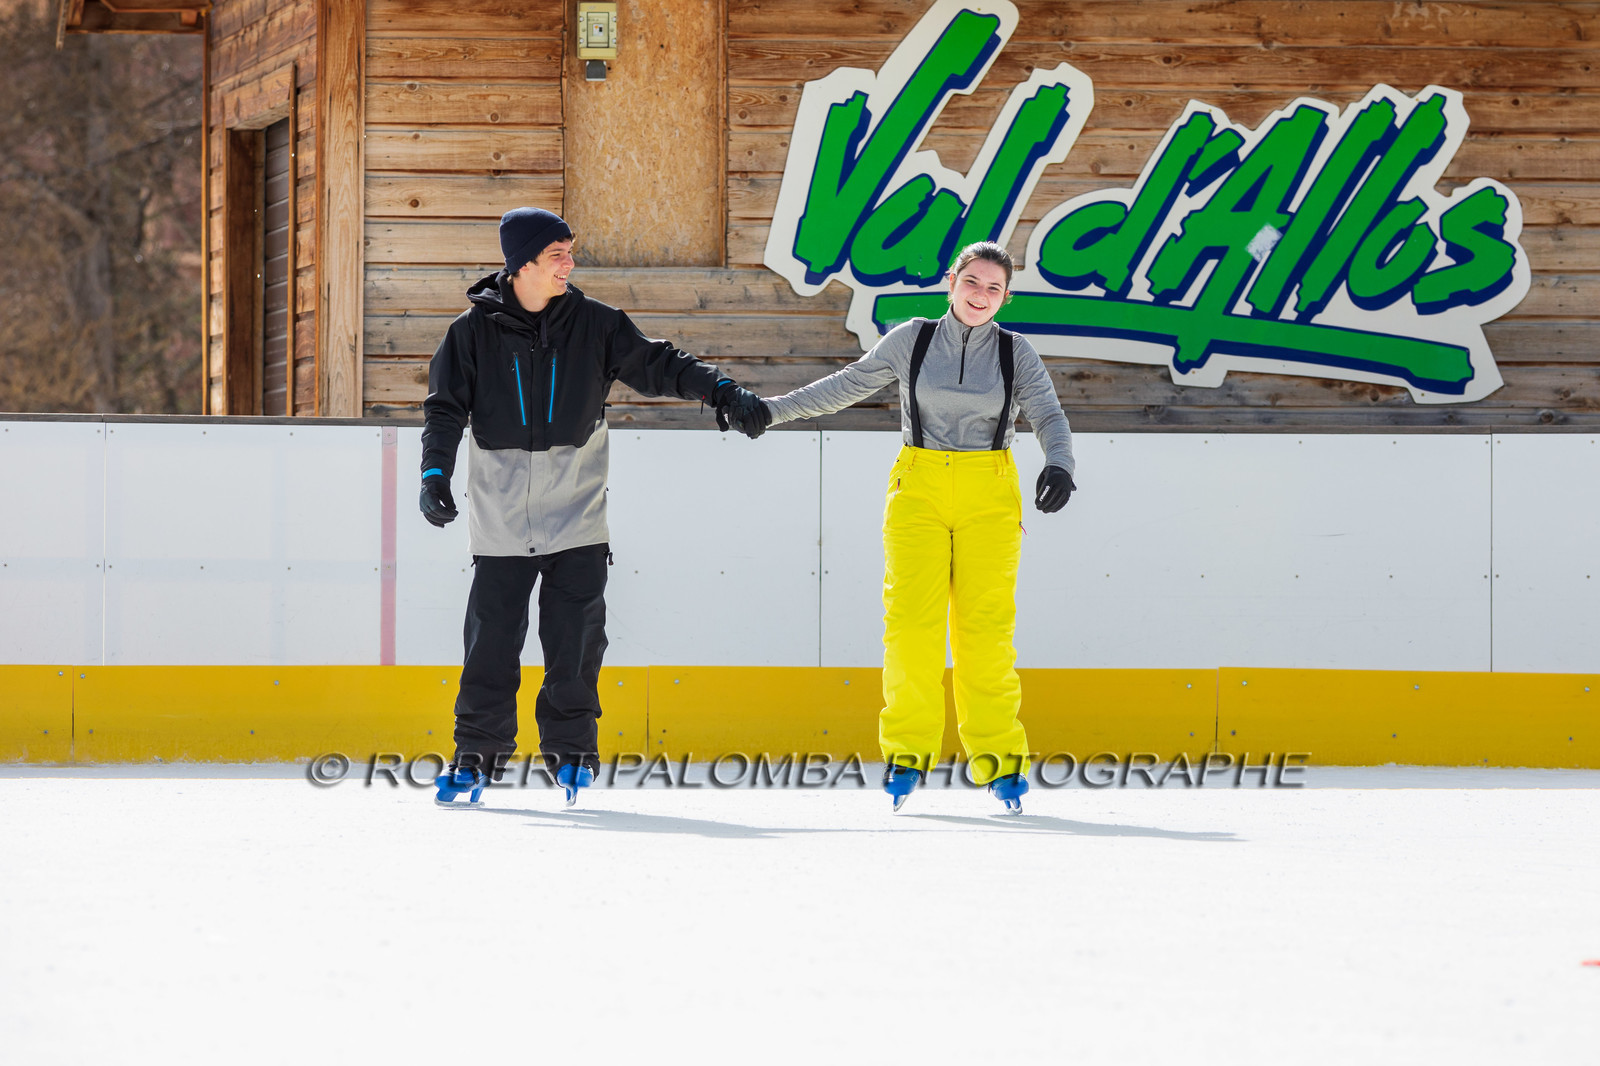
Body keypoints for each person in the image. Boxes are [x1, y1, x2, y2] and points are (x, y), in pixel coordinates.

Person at [419, 207, 768, 808]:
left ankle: (573, 757)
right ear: (522, 263)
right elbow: (445, 410)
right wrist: (434, 473)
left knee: (576, 643)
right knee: (491, 644)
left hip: (577, 512)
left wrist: (722, 391)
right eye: (558, 255)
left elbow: (660, 364)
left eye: (569, 253)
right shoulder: (469, 334)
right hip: (501, 518)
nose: (570, 264)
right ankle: (475, 759)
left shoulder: (595, 324)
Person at [759, 242, 1075, 814]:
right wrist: (772, 410)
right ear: (950, 281)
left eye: (993, 289)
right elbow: (847, 386)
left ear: (1006, 296)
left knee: (984, 634)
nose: (980, 296)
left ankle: (1000, 763)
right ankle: (907, 753)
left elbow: (1048, 413)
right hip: (919, 487)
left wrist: (1059, 463)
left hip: (989, 492)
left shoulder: (1014, 351)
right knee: (911, 626)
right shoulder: (913, 339)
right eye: (972, 283)